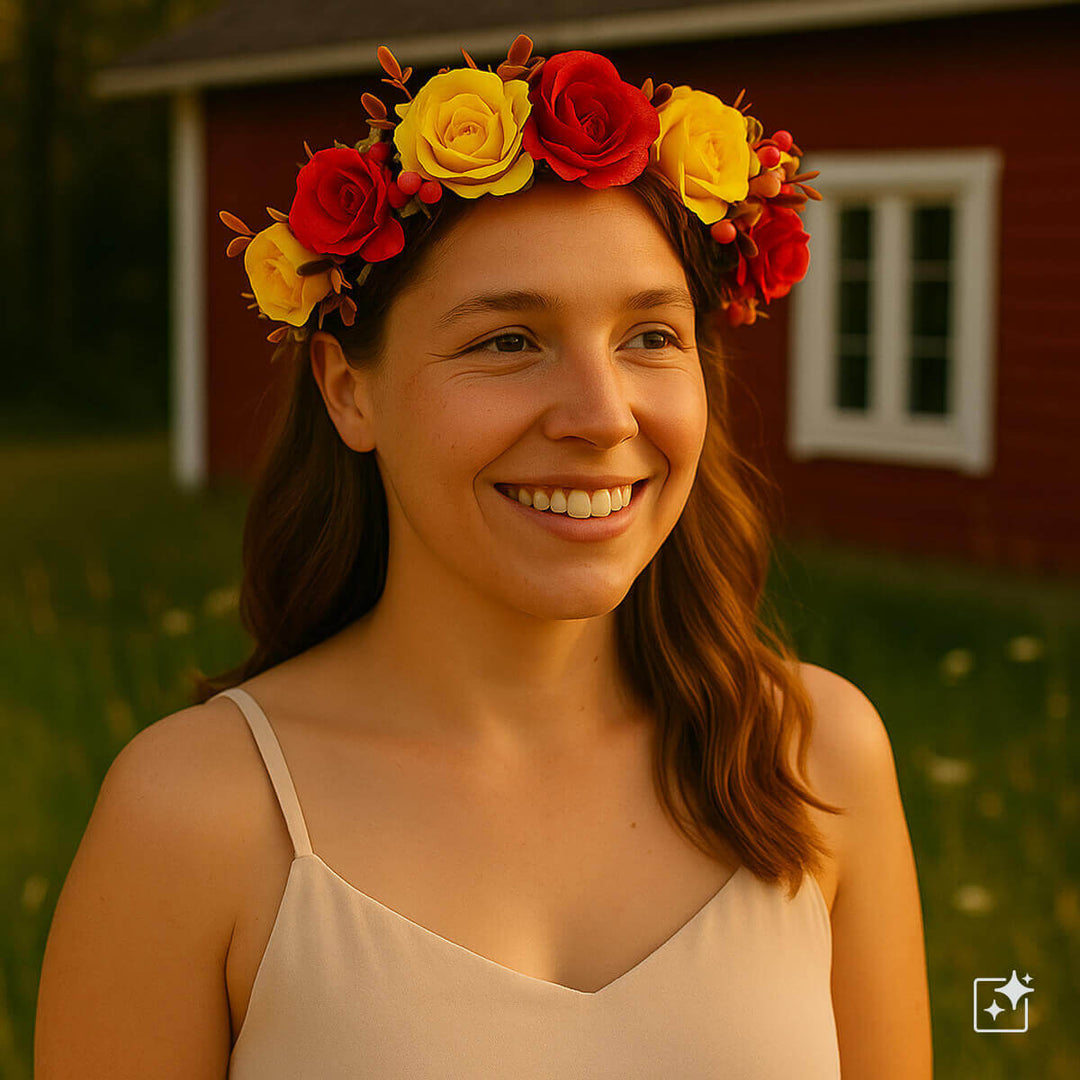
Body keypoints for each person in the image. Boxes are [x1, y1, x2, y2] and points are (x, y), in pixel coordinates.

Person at [35, 36, 932, 1079]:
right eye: (508, 341)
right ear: (348, 391)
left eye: (650, 336)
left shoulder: (815, 759)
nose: (603, 416)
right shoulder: (195, 816)